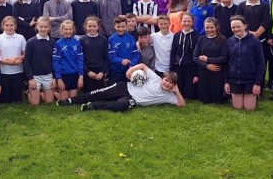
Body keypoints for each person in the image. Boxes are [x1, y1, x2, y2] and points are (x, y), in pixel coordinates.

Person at [56, 64, 185, 111]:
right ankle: (70, 101)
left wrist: (177, 92)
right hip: (125, 87)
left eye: (170, 83)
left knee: (120, 106)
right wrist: (130, 72)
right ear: (163, 78)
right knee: (99, 93)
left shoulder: (168, 95)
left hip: (132, 100)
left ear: (173, 85)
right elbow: (143, 66)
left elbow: (182, 105)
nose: (167, 83)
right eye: (166, 80)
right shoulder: (155, 79)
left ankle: (92, 106)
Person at [235, 0, 271, 92]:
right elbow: (238, 20)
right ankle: (247, 85)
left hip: (261, 40)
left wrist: (257, 34)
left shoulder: (265, 5)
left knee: (261, 62)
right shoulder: (241, 6)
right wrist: (249, 33)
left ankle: (260, 85)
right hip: (245, 38)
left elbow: (266, 22)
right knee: (248, 62)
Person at [224, 16, 265, 111]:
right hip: (234, 80)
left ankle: (254, 97)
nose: (236, 29)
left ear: (245, 26)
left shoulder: (255, 41)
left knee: (249, 108)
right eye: (233, 27)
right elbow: (225, 64)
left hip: (250, 81)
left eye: (238, 26)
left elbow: (261, 63)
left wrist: (257, 83)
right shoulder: (229, 42)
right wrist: (226, 82)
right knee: (237, 107)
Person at [193, 17, 228, 104]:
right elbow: (195, 57)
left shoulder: (222, 39)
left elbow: (224, 58)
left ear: (216, 27)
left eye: (211, 27)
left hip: (217, 71)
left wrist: (208, 59)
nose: (209, 30)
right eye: (207, 28)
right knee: (204, 99)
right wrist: (207, 66)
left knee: (217, 100)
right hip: (203, 70)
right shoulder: (201, 39)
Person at [24, 16, 56, 105]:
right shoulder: (31, 42)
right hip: (35, 76)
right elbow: (26, 61)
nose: (43, 29)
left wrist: (54, 77)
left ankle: (41, 93)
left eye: (46, 27)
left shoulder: (52, 42)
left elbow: (54, 61)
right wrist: (30, 78)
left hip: (48, 75)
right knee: (35, 103)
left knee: (49, 101)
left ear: (49, 28)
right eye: (41, 27)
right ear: (37, 27)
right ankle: (28, 93)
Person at [0, 16, 26, 103]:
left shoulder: (21, 38)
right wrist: (9, 62)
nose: (9, 27)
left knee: (17, 99)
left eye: (11, 25)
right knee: (5, 100)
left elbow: (25, 55)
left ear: (15, 26)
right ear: (3, 26)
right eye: (6, 25)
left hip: (18, 71)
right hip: (4, 71)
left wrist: (15, 59)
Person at [170, 13, 200, 99]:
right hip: (178, 66)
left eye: (189, 21)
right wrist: (172, 69)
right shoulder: (176, 35)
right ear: (181, 22)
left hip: (190, 67)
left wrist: (197, 73)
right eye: (184, 21)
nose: (186, 23)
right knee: (179, 91)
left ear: (192, 22)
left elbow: (198, 55)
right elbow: (173, 52)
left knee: (190, 95)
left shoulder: (197, 36)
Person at [53, 20, 84, 100]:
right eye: (66, 29)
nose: (68, 31)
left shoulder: (77, 43)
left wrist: (81, 76)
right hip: (64, 75)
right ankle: (55, 93)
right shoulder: (58, 43)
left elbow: (80, 60)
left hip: (74, 74)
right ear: (62, 30)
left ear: (73, 30)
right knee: (64, 101)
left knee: (72, 100)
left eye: (70, 29)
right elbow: (56, 62)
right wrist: (59, 79)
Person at [79, 16, 109, 93]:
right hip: (88, 71)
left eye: (94, 26)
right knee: (88, 95)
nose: (92, 28)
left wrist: (102, 72)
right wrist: (87, 72)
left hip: (100, 71)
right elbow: (80, 59)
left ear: (98, 27)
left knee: (99, 95)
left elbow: (106, 58)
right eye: (89, 26)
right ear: (85, 26)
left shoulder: (103, 39)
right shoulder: (82, 40)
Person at [107, 16, 139, 86]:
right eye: (118, 26)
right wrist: (121, 60)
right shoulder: (111, 39)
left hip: (129, 70)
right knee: (114, 91)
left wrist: (132, 64)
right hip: (115, 71)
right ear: (114, 26)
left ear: (126, 26)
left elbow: (136, 54)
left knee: (128, 91)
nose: (120, 29)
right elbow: (110, 57)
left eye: (123, 26)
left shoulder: (131, 38)